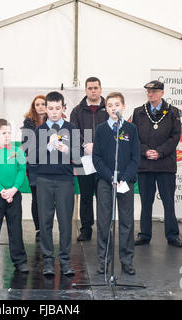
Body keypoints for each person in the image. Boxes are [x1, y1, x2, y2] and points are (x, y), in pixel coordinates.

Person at [132, 80, 182, 248]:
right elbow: (134, 137)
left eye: (154, 91)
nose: (150, 94)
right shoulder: (139, 112)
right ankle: (145, 234)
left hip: (165, 165)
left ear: (162, 92)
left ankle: (172, 235)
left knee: (168, 202)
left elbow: (175, 137)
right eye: (148, 91)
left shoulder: (173, 112)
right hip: (145, 165)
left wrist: (160, 152)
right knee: (146, 202)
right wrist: (145, 151)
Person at [93, 92, 140, 275]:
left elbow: (135, 157)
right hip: (105, 181)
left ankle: (127, 260)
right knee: (104, 221)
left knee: (127, 222)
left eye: (117, 104)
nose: (114, 108)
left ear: (123, 106)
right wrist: (109, 176)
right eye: (110, 105)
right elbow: (96, 157)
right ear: (106, 108)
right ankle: (104, 260)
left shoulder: (131, 129)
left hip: (125, 182)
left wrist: (124, 177)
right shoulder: (101, 129)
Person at [36, 91, 79, 276]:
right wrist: (48, 145)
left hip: (65, 181)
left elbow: (78, 158)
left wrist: (68, 150)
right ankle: (47, 261)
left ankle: (65, 261)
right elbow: (33, 158)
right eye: (51, 108)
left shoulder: (71, 129)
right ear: (46, 109)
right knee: (45, 222)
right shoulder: (38, 131)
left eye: (57, 108)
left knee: (65, 222)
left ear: (63, 109)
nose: (54, 112)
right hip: (44, 179)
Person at [0, 119, 29, 275]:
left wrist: (13, 189)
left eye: (9, 133)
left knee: (15, 229)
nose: (7, 136)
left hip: (14, 195)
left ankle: (20, 261)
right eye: (4, 133)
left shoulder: (18, 151)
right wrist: (2, 190)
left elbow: (22, 171)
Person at [70, 77, 108, 241]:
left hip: (104, 160)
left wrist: (98, 147)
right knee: (85, 196)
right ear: (85, 90)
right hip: (82, 159)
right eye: (90, 88)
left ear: (100, 89)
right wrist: (86, 146)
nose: (93, 90)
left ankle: (104, 229)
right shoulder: (77, 111)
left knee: (103, 196)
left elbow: (112, 133)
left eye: (96, 87)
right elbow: (73, 133)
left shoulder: (109, 108)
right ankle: (86, 229)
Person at [21, 95, 47, 240]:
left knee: (48, 199)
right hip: (33, 166)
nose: (40, 106)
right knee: (36, 198)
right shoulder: (28, 123)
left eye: (43, 103)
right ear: (33, 107)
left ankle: (46, 227)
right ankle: (38, 229)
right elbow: (25, 145)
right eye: (37, 104)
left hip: (50, 165)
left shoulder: (54, 121)